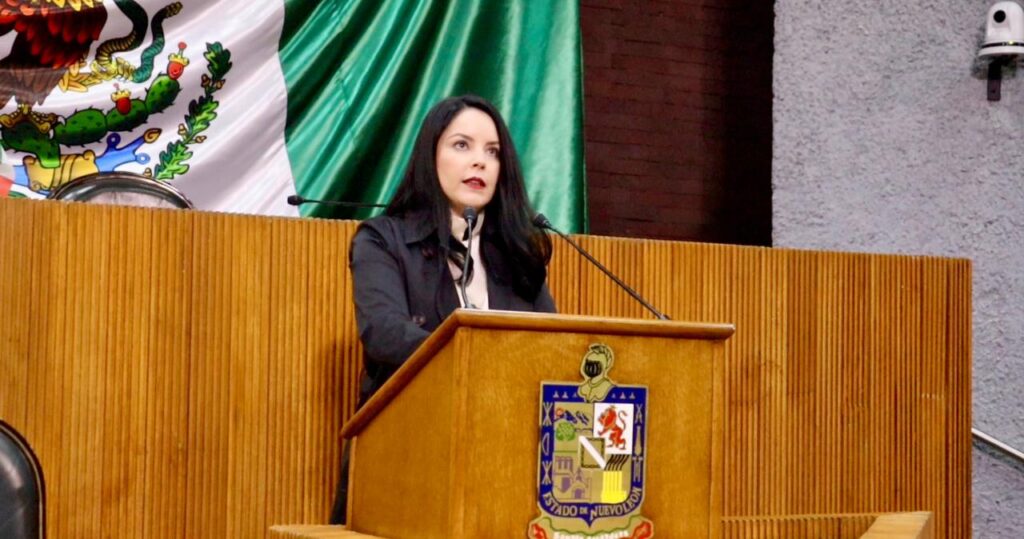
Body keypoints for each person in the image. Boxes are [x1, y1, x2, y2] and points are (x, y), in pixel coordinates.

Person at [330, 94, 556, 523]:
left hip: (504, 469)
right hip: (405, 460)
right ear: (430, 156)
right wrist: (477, 358)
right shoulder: (383, 240)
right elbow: (384, 333)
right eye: (462, 145)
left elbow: (551, 349)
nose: (480, 162)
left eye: (493, 152)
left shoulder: (517, 256)